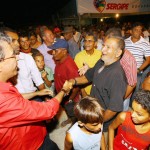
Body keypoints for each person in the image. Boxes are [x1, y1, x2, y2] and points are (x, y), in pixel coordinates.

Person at [0, 32, 73, 150]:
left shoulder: (5, 85)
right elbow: (48, 110)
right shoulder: (3, 99)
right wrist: (63, 91)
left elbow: (17, 98)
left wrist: (37, 93)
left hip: (37, 138)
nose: (18, 57)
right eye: (13, 55)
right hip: (30, 145)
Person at [69, 36, 127, 146]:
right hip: (92, 113)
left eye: (108, 47)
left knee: (99, 145)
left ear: (118, 53)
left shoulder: (117, 76)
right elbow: (88, 77)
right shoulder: (101, 62)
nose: (103, 49)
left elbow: (114, 108)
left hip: (102, 123)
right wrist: (73, 81)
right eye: (104, 45)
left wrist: (97, 122)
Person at [3, 27, 46, 101]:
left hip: (34, 97)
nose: (17, 44)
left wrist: (46, 97)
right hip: (14, 101)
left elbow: (38, 80)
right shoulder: (3, 64)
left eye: (17, 41)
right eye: (13, 41)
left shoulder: (27, 58)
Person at [48, 38, 80, 127]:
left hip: (69, 98)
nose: (53, 53)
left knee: (73, 112)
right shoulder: (59, 60)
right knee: (67, 111)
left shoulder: (70, 66)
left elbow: (77, 85)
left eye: (55, 50)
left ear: (64, 51)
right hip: (62, 95)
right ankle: (70, 119)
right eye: (53, 50)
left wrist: (70, 99)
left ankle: (74, 125)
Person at [125, 22, 150, 102]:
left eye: (140, 30)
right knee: (124, 90)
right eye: (136, 30)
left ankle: (131, 109)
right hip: (124, 71)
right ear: (131, 31)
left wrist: (138, 70)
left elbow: (148, 60)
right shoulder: (125, 42)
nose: (138, 32)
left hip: (137, 72)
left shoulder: (145, 43)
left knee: (135, 93)